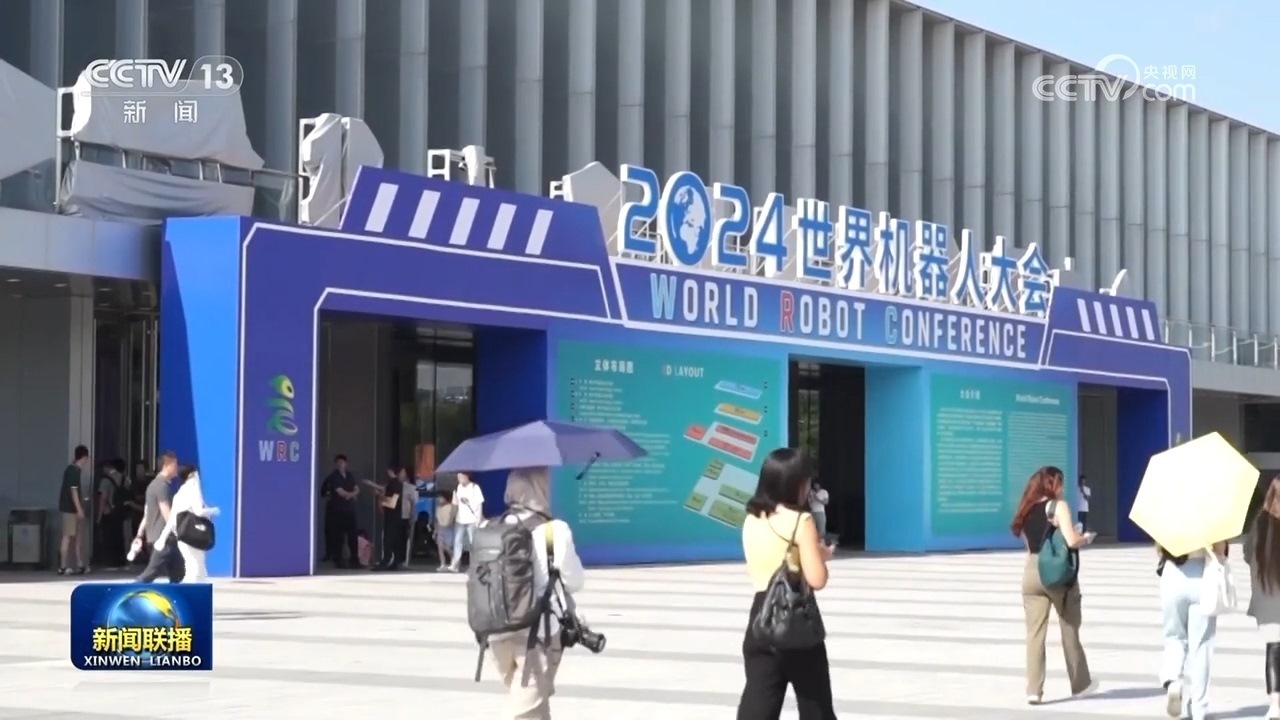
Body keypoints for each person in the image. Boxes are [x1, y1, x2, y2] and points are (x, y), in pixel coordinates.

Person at [737, 448, 837, 720]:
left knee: (758, 706)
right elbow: (817, 579)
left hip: (760, 617)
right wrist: (821, 556)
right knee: (815, 707)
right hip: (795, 618)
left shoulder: (752, 518)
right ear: (797, 484)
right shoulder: (801, 521)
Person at [486, 467, 585, 720]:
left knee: (535, 702)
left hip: (495, 632)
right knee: (524, 711)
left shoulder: (492, 526)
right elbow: (575, 581)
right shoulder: (555, 530)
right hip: (538, 633)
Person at [1010, 465, 1095, 705]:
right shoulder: (1058, 506)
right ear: (1052, 484)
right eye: (1060, 482)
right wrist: (1086, 538)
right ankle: (1080, 683)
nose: (1062, 488)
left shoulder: (1026, 509)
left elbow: (1029, 548)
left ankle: (1033, 690)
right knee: (1069, 627)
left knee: (1034, 634)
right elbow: (1071, 540)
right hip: (1054, 571)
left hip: (1031, 571)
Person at [1159, 539, 1228, 720]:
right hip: (1202, 575)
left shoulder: (1166, 521)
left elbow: (1160, 547)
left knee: (1174, 637)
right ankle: (1198, 708)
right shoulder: (1211, 521)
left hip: (1173, 574)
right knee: (1202, 646)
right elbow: (1220, 550)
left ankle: (1173, 680)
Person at [1246, 476, 1280, 719]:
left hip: (1267, 597)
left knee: (1274, 648)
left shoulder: (1260, 523)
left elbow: (1248, 555)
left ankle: (1275, 705)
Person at [154, 466, 219, 582]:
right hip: (194, 535)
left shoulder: (179, 493)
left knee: (192, 568)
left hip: (182, 535)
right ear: (192, 475)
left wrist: (162, 538)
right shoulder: (193, 490)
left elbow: (172, 519)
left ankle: (190, 590)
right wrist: (213, 511)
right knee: (197, 569)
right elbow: (198, 511)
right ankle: (190, 591)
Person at [133, 451, 185, 583]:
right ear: (167, 465)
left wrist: (140, 534)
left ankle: (178, 593)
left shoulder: (153, 485)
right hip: (164, 538)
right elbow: (166, 513)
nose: (177, 468)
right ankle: (127, 590)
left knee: (178, 573)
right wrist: (178, 531)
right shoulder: (162, 486)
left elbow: (147, 513)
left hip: (158, 537)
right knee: (151, 573)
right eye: (175, 464)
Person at [321, 454, 361, 567]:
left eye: (342, 463)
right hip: (338, 510)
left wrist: (350, 494)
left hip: (350, 510)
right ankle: (338, 560)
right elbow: (339, 491)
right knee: (338, 537)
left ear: (346, 464)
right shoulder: (333, 477)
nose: (340, 465)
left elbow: (357, 489)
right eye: (338, 463)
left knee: (352, 536)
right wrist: (350, 495)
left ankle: (354, 560)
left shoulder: (349, 475)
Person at [57, 445, 91, 575]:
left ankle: (79, 564)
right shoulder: (73, 471)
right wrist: (79, 509)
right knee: (67, 536)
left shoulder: (73, 470)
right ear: (84, 457)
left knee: (77, 537)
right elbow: (74, 492)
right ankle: (63, 566)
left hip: (71, 509)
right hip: (70, 509)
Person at [365, 466, 406, 570]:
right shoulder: (395, 483)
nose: (404, 474)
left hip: (393, 516)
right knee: (395, 539)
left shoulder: (395, 483)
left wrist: (380, 496)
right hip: (394, 516)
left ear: (391, 471)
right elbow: (384, 489)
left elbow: (392, 502)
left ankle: (386, 561)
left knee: (389, 539)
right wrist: (373, 485)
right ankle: (395, 562)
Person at [450, 472, 485, 572]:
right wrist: (452, 516)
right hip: (460, 519)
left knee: (472, 542)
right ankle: (455, 564)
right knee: (457, 542)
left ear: (467, 477)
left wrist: (479, 518)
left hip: (472, 519)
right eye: (458, 477)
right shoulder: (457, 487)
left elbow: (480, 504)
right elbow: (455, 504)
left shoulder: (474, 487)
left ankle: (474, 564)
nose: (460, 479)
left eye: (461, 477)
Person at [434, 487, 457, 570]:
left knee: (447, 547)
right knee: (440, 547)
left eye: (440, 497)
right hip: (440, 528)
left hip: (449, 528)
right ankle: (442, 564)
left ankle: (454, 562)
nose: (439, 499)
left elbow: (454, 518)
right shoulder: (438, 508)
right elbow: (437, 520)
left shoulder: (451, 507)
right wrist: (435, 531)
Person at [402, 473, 420, 568]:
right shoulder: (399, 487)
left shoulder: (412, 489)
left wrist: (412, 515)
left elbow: (414, 503)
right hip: (402, 515)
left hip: (410, 516)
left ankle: (406, 560)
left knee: (408, 538)